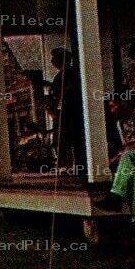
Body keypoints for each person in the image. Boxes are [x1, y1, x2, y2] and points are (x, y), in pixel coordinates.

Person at [47, 47, 86, 175]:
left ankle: (77, 163)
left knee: (73, 137)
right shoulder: (58, 77)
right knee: (62, 138)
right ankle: (67, 164)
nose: (53, 61)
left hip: (71, 110)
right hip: (61, 111)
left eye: (55, 58)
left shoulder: (72, 74)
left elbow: (72, 90)